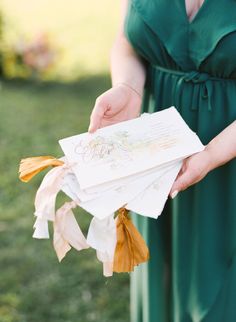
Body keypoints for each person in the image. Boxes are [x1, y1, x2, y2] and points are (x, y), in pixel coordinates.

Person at [88, 0, 236, 321]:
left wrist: (212, 154)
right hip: (161, 165)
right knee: (162, 281)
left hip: (229, 170)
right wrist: (128, 87)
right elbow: (128, 42)